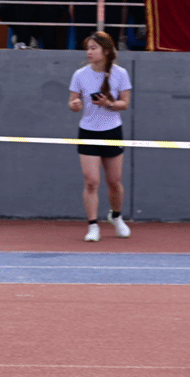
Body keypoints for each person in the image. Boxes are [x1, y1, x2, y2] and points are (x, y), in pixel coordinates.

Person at [67, 31, 133, 243]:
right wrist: (75, 104)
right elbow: (72, 102)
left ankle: (116, 217)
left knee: (114, 181)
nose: (89, 52)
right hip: (88, 132)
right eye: (88, 48)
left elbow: (125, 103)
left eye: (93, 48)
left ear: (105, 51)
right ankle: (93, 225)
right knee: (91, 182)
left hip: (112, 131)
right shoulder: (80, 75)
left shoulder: (120, 73)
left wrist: (108, 103)